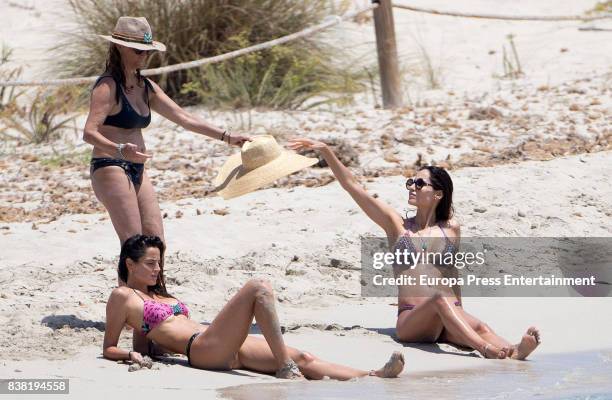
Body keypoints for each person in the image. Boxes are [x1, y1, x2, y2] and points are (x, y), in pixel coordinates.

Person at [288, 137, 541, 360]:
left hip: (447, 312)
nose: (411, 187)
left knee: (480, 325)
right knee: (443, 303)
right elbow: (352, 185)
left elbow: (452, 274)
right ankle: (483, 349)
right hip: (412, 320)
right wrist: (326, 151)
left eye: (419, 184)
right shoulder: (396, 225)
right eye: (411, 182)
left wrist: (460, 312)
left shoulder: (451, 228)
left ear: (438, 194)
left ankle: (515, 350)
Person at [103, 235, 405, 379]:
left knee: (304, 356)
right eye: (150, 264)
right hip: (203, 349)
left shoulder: (158, 295)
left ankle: (372, 376)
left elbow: (149, 336)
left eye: (159, 263)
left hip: (222, 343)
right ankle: (284, 367)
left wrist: (150, 346)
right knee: (258, 287)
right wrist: (130, 353)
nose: (157, 270)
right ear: (129, 264)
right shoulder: (123, 297)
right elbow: (109, 347)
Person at [83, 16, 251, 274]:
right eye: (139, 51)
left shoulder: (145, 86)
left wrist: (227, 137)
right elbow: (89, 133)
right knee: (133, 245)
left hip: (138, 167)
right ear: (120, 48)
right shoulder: (107, 86)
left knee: (155, 243)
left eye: (148, 52)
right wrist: (119, 150)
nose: (144, 57)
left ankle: (154, 301)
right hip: (110, 165)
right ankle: (131, 306)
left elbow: (184, 118)